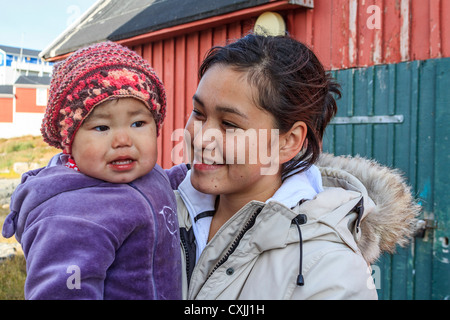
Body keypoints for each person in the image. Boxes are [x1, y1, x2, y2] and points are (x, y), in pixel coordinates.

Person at [173, 34, 420, 299]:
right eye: (198, 113)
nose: (199, 138)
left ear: (288, 142)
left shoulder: (332, 274)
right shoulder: (152, 208)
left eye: (229, 124)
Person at [2, 42, 182, 300]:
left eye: (138, 123)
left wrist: (191, 172)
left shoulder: (142, 174)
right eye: (101, 128)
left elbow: (159, 182)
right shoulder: (72, 216)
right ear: (70, 140)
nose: (123, 140)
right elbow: (63, 292)